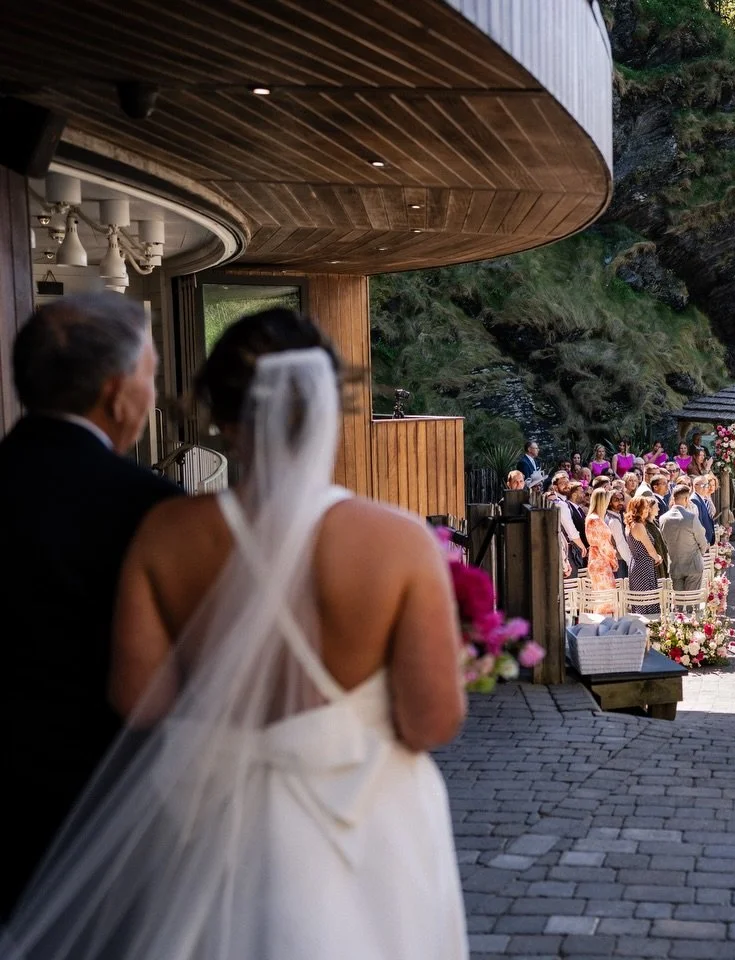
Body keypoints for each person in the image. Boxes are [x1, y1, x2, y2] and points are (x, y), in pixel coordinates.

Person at [6, 309, 468, 957]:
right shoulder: (397, 542)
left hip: (213, 826)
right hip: (365, 827)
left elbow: (141, 700)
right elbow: (431, 722)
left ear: (221, 414)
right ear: (325, 407)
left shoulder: (164, 533)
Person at [0, 294, 183, 919]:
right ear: (116, 392)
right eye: (151, 375)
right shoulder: (150, 508)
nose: (152, 393)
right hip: (102, 807)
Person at [659, 485, 708, 592]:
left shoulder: (663, 519)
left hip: (675, 564)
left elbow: (664, 541)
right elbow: (702, 541)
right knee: (691, 602)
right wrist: (700, 554)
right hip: (693, 565)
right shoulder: (691, 517)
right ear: (686, 499)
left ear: (673, 498)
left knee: (679, 602)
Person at [623, 497, 662, 614]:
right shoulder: (638, 526)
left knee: (640, 601)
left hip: (637, 564)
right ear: (637, 509)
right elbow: (650, 549)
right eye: (644, 508)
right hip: (643, 566)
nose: (647, 510)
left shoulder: (629, 524)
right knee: (647, 601)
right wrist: (658, 557)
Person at [585, 488, 619, 613]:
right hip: (600, 561)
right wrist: (613, 560)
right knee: (605, 599)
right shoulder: (594, 520)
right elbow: (603, 544)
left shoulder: (594, 518)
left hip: (599, 559)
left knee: (606, 597)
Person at [605, 489, 632, 579]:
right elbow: (620, 544)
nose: (620, 502)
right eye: (616, 500)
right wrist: (630, 562)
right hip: (620, 559)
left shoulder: (618, 515)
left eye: (621, 499)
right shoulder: (613, 520)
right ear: (609, 502)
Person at [642, 494, 670, 581]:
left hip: (662, 559)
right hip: (656, 563)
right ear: (649, 509)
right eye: (656, 507)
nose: (658, 509)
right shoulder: (646, 526)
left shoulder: (655, 522)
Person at [692, 474, 717, 545]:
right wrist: (703, 541)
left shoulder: (701, 498)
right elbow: (699, 523)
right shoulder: (695, 500)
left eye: (706, 485)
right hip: (703, 540)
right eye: (704, 486)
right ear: (695, 486)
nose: (707, 488)